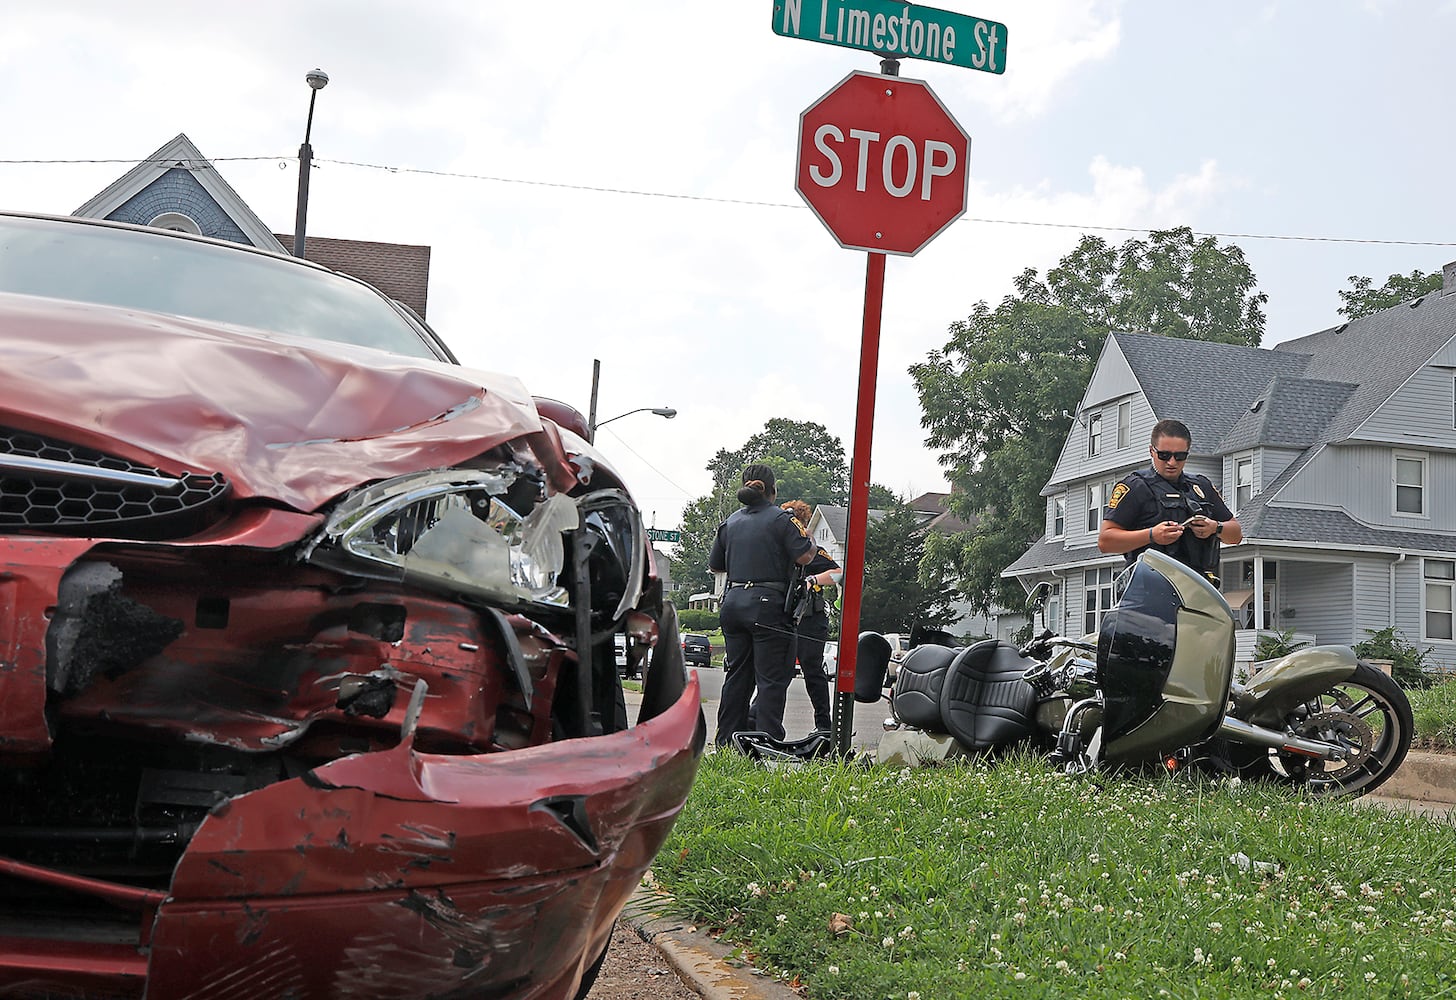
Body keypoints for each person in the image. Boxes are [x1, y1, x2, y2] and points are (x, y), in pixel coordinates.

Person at [708, 464, 815, 746]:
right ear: (772, 490)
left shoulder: (730, 522)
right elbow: (805, 556)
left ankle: (726, 741)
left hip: (733, 603)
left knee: (736, 677)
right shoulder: (782, 519)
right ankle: (765, 742)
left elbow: (715, 565)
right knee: (771, 679)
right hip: (767, 606)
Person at [1098, 418, 1243, 581]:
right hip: (1146, 590)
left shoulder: (1201, 486)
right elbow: (1105, 541)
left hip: (1196, 588)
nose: (1172, 462)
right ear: (1151, 451)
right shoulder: (1135, 487)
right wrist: (1152, 535)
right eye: (1164, 455)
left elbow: (1236, 535)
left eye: (1180, 456)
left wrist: (1215, 527)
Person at [780, 499, 840, 734]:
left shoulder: (811, 549)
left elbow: (837, 573)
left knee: (812, 671)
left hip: (810, 619)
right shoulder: (779, 549)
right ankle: (759, 720)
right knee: (777, 671)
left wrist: (813, 580)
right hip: (783, 616)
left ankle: (824, 725)